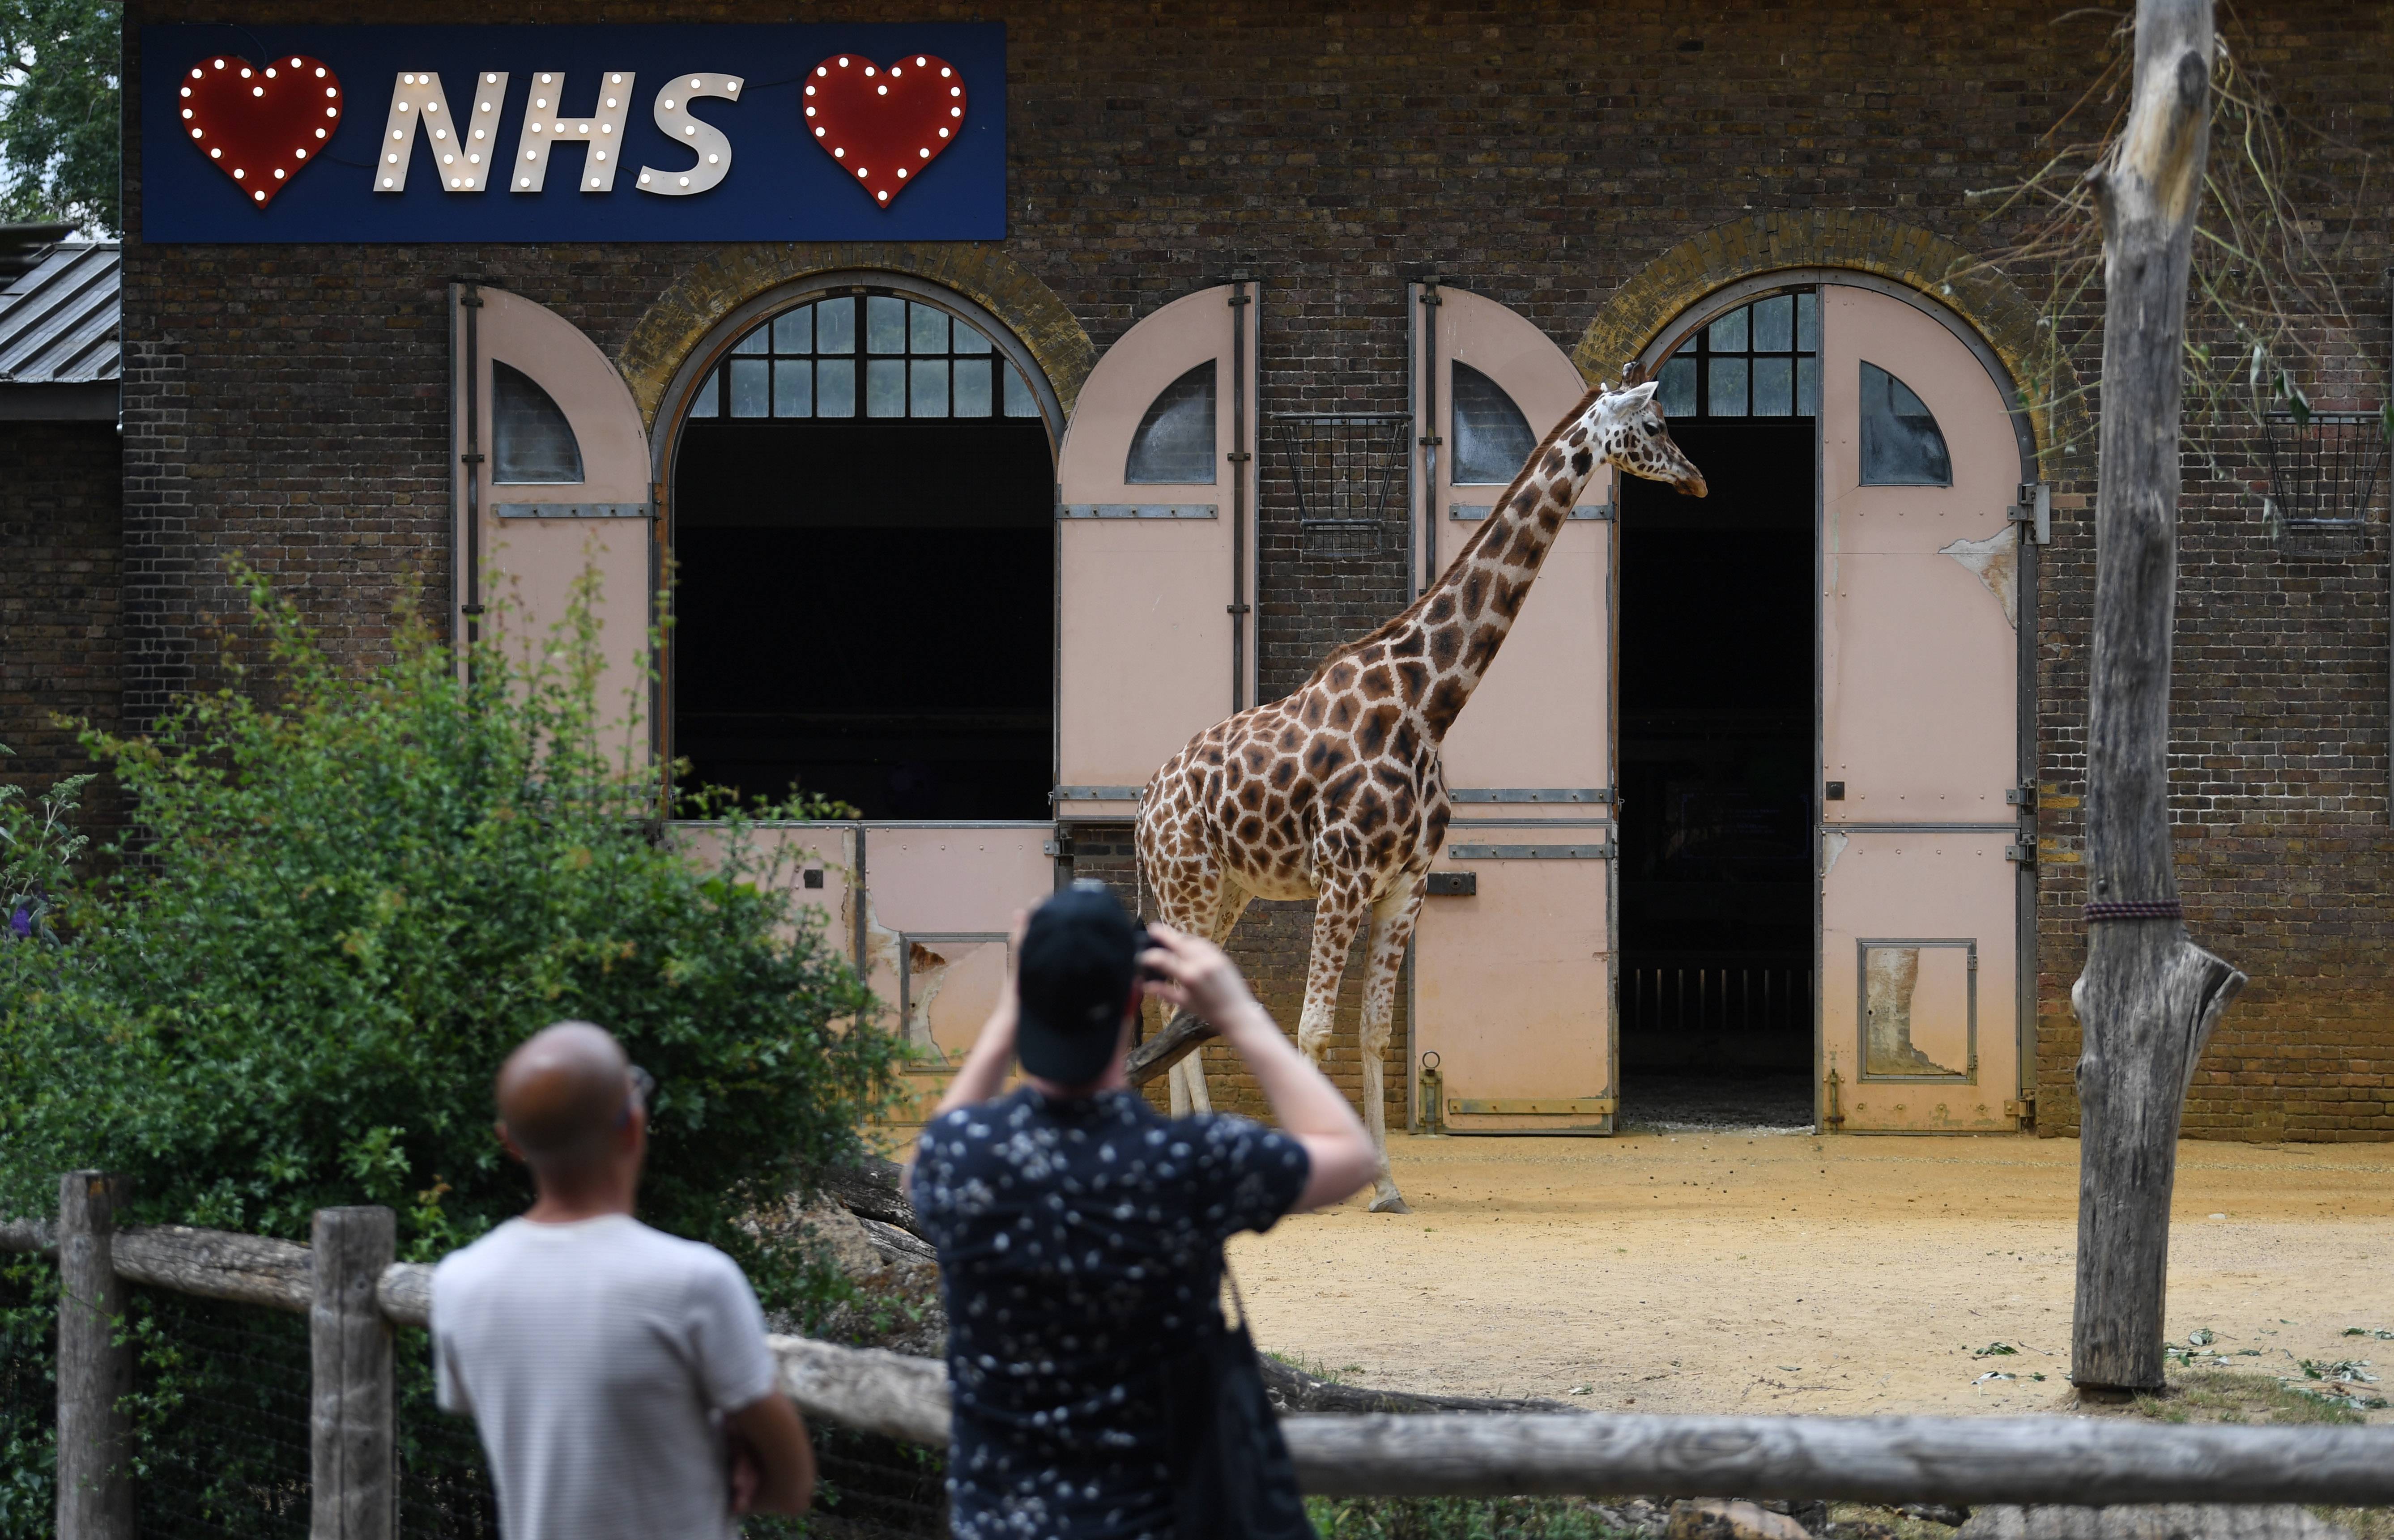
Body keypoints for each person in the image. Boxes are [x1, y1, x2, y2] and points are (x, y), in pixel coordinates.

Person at [910, 882, 1379, 1540]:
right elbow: (1353, 1156)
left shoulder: (963, 1158)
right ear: (1135, 997)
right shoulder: (1185, 1160)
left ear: (1027, 1000)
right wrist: (1240, 1012)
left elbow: (936, 1147)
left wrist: (1012, 1010)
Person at [430, 1021, 814, 1540]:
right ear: (632, 1125)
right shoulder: (694, 1281)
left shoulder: (459, 1283)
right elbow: (790, 1486)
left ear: (510, 1143)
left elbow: (545, 1411)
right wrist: (728, 1443)